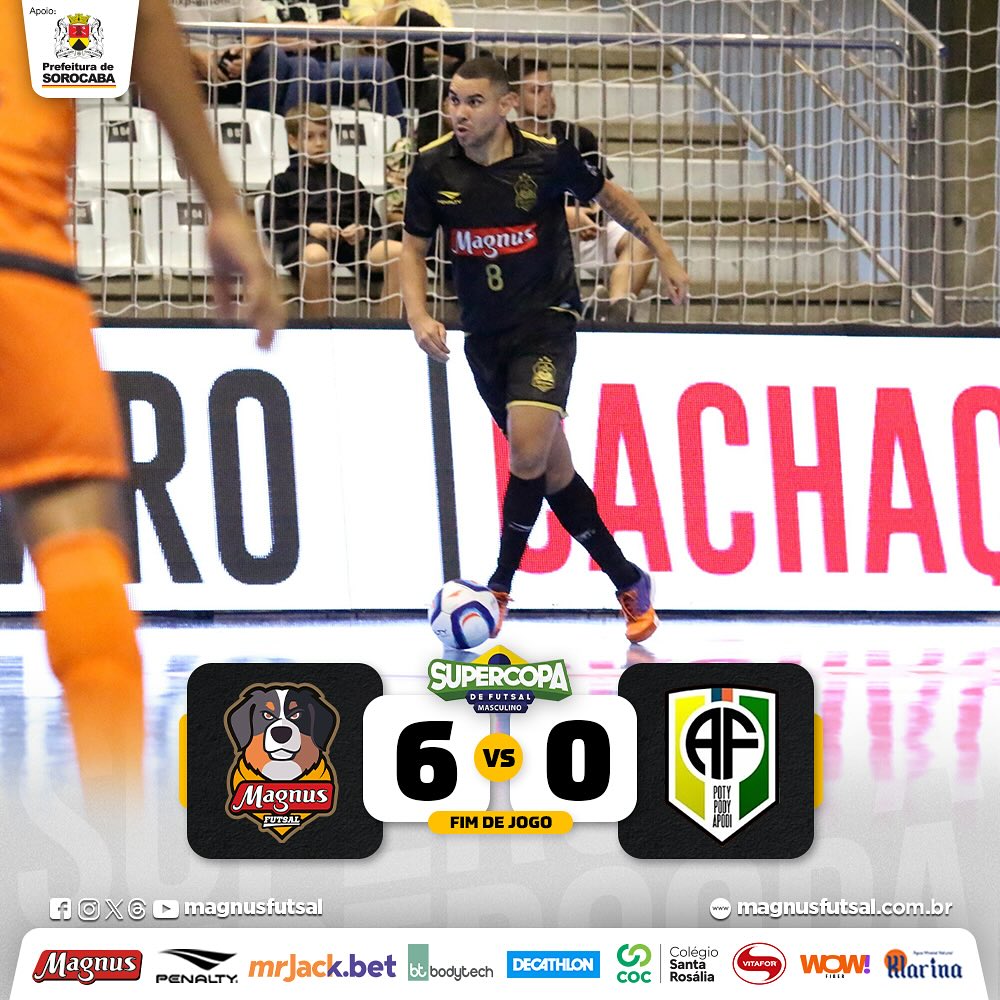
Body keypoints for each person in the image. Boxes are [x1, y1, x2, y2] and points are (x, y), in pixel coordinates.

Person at [2, 0, 284, 801]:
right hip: (17, 262)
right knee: (77, 546)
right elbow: (136, 21)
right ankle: (117, 843)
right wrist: (224, 206)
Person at [400, 57, 689, 642]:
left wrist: (662, 250)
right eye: (453, 99)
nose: (459, 112)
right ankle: (628, 579)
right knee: (554, 473)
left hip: (546, 325)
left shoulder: (549, 156)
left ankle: (499, 586)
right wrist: (418, 312)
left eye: (473, 101)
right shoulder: (432, 167)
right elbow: (412, 247)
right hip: (484, 337)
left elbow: (613, 200)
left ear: (506, 105)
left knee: (527, 455)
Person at [507, 55, 656, 324]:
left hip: (586, 231)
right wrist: (564, 216)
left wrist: (593, 215)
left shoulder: (577, 137)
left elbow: (604, 191)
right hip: (532, 235)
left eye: (549, 89)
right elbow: (504, 205)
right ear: (514, 100)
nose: (547, 97)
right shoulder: (506, 142)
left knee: (642, 240)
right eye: (536, 91)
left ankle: (615, 313)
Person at [265, 102, 403, 317]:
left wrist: (361, 230)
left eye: (324, 135)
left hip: (349, 243)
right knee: (316, 256)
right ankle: (318, 328)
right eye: (309, 137)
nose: (319, 143)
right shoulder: (282, 182)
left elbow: (372, 220)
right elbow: (273, 224)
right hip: (306, 242)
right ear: (293, 141)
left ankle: (389, 327)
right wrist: (309, 228)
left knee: (400, 253)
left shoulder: (348, 180)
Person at [175, 0, 405, 123]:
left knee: (377, 68)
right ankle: (282, 151)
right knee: (295, 62)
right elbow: (272, 33)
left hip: (317, 65)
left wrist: (246, 51)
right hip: (185, 65)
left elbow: (340, 29)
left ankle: (400, 157)